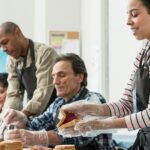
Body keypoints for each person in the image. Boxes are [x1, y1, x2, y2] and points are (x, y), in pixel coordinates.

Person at [60, 0, 150, 149]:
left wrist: (102, 124)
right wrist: (90, 109)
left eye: (134, 14)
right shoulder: (142, 55)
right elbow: (126, 104)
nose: (128, 22)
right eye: (127, 15)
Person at [2, 53, 115, 150]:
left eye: (62, 75)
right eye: (53, 76)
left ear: (79, 77)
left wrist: (39, 138)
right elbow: (36, 125)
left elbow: (78, 135)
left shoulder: (93, 100)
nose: (55, 81)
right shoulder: (58, 103)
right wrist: (21, 119)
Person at [0, 21, 58, 117]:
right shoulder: (11, 60)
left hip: (55, 111)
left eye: (5, 42)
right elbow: (13, 94)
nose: (3, 49)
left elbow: (42, 92)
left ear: (17, 32)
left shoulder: (44, 53)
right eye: (0, 46)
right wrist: (6, 117)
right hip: (35, 114)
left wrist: (21, 115)